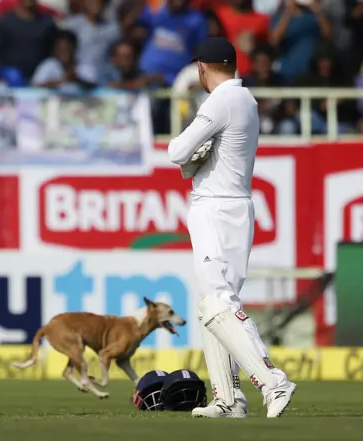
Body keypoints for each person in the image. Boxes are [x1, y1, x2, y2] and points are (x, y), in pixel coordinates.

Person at [167, 37, 297, 419]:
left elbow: (176, 151)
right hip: (233, 207)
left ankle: (272, 381)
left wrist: (191, 154)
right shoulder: (246, 100)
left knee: (217, 303)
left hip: (217, 210)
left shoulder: (222, 101)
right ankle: (228, 400)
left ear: (203, 69)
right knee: (215, 305)